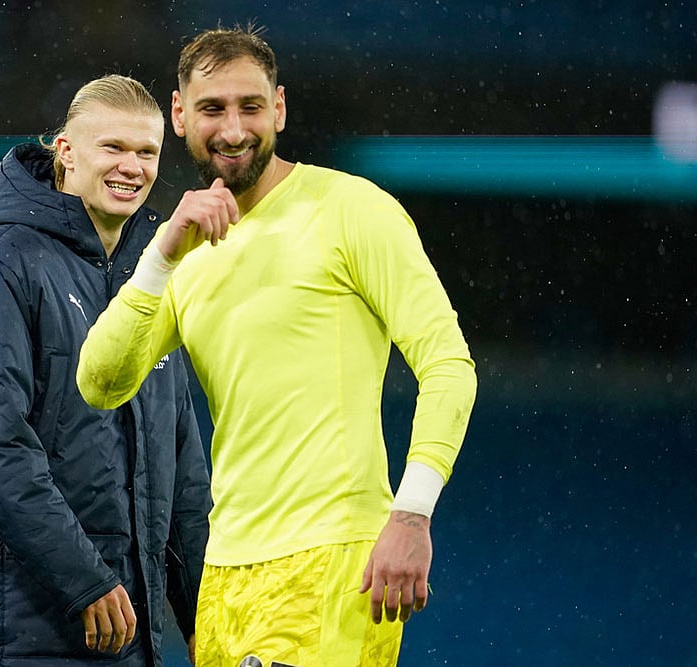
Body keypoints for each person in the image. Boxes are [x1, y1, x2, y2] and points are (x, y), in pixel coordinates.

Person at [76, 27, 477, 666]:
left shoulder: (352, 210)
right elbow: (99, 381)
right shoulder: (186, 253)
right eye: (212, 109)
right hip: (227, 575)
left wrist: (411, 516)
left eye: (250, 107)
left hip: (335, 560)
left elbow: (449, 366)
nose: (233, 129)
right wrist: (159, 255)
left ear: (280, 109)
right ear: (180, 116)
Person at [0, 74, 211, 666]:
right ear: (65, 151)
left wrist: (212, 624)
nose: (131, 166)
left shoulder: (153, 287)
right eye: (112, 147)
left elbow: (182, 474)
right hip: (16, 639)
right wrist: (85, 579)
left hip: (127, 638)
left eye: (147, 152)